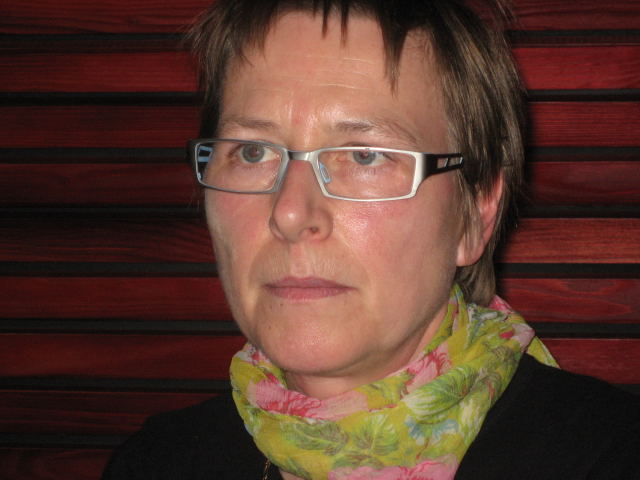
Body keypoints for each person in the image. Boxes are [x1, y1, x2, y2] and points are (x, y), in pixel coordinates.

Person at [102, 0, 640, 478]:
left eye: (365, 155)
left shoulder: (607, 456)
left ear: (476, 213)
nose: (289, 213)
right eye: (252, 152)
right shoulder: (158, 462)